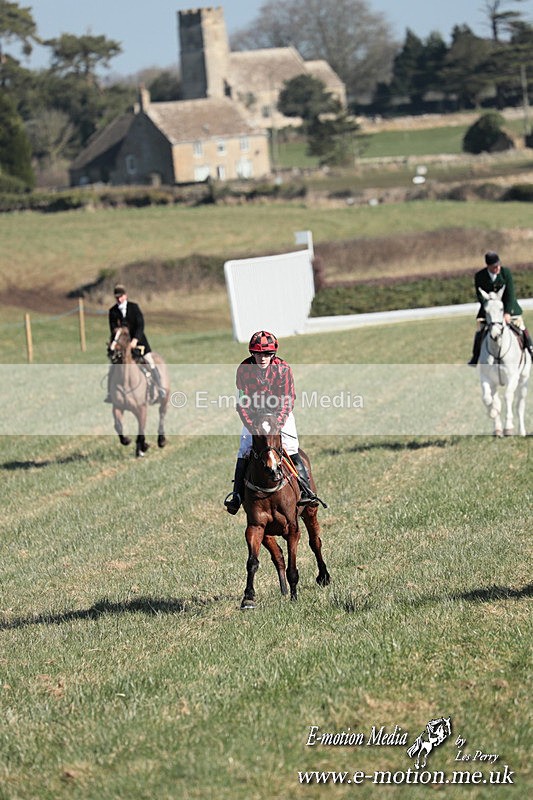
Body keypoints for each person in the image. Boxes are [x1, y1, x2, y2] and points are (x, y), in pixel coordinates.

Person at [224, 330, 318, 515]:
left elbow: (288, 399)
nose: (262, 358)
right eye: (258, 353)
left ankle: (306, 491)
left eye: (267, 353)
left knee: (291, 447)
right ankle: (236, 495)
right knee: (244, 449)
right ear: (252, 353)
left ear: (273, 354)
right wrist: (253, 426)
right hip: (254, 416)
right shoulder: (244, 369)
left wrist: (277, 423)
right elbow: (242, 402)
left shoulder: (283, 369)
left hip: (280, 414)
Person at [468, 251, 533, 365]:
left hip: (509, 307)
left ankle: (530, 349)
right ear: (488, 266)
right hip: (489, 310)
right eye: (494, 267)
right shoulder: (479, 276)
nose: (497, 268)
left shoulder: (505, 273)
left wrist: (507, 312)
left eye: (498, 265)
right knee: (479, 329)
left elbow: (510, 294)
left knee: (521, 326)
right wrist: (489, 307)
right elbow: (480, 296)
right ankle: (475, 355)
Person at [105, 284, 166, 401]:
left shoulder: (134, 307)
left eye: (121, 296)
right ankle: (110, 393)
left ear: (125, 296)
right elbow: (113, 329)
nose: (119, 299)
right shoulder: (112, 311)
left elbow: (140, 325)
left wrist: (135, 340)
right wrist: (116, 345)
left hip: (139, 342)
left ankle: (160, 388)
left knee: (150, 361)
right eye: (117, 297)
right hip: (122, 346)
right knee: (113, 366)